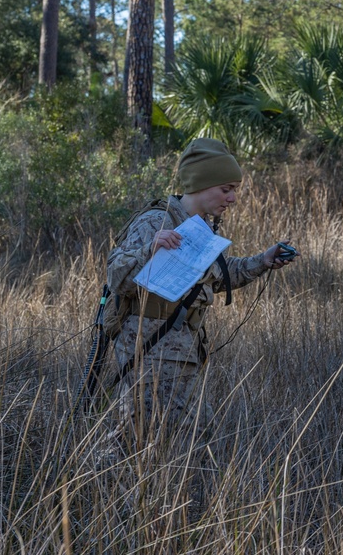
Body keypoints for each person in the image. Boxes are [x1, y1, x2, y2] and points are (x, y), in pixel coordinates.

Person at [106, 138, 296, 426]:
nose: (232, 198)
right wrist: (149, 249)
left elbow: (216, 277)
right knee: (136, 438)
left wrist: (263, 261)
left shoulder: (201, 228)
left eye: (233, 190)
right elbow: (116, 277)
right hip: (148, 351)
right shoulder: (156, 221)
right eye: (226, 189)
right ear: (200, 184)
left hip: (185, 350)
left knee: (191, 436)